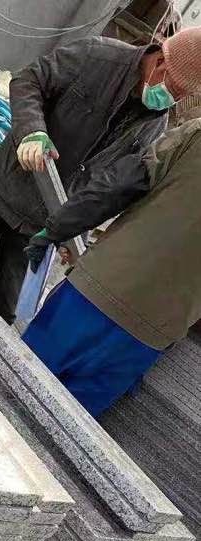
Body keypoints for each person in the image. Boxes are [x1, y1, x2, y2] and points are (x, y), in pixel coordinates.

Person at [0, 27, 201, 324]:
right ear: (160, 63)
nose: (174, 100)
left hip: (42, 223)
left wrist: (74, 231)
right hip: (3, 187)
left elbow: (107, 186)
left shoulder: (153, 126)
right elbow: (29, 80)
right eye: (176, 90)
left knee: (0, 313)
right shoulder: (97, 56)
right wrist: (31, 131)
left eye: (184, 95)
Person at [21, 117, 201, 418]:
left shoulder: (196, 134)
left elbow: (121, 185)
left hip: (92, 292)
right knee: (62, 426)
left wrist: (56, 229)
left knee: (12, 386)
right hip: (148, 336)